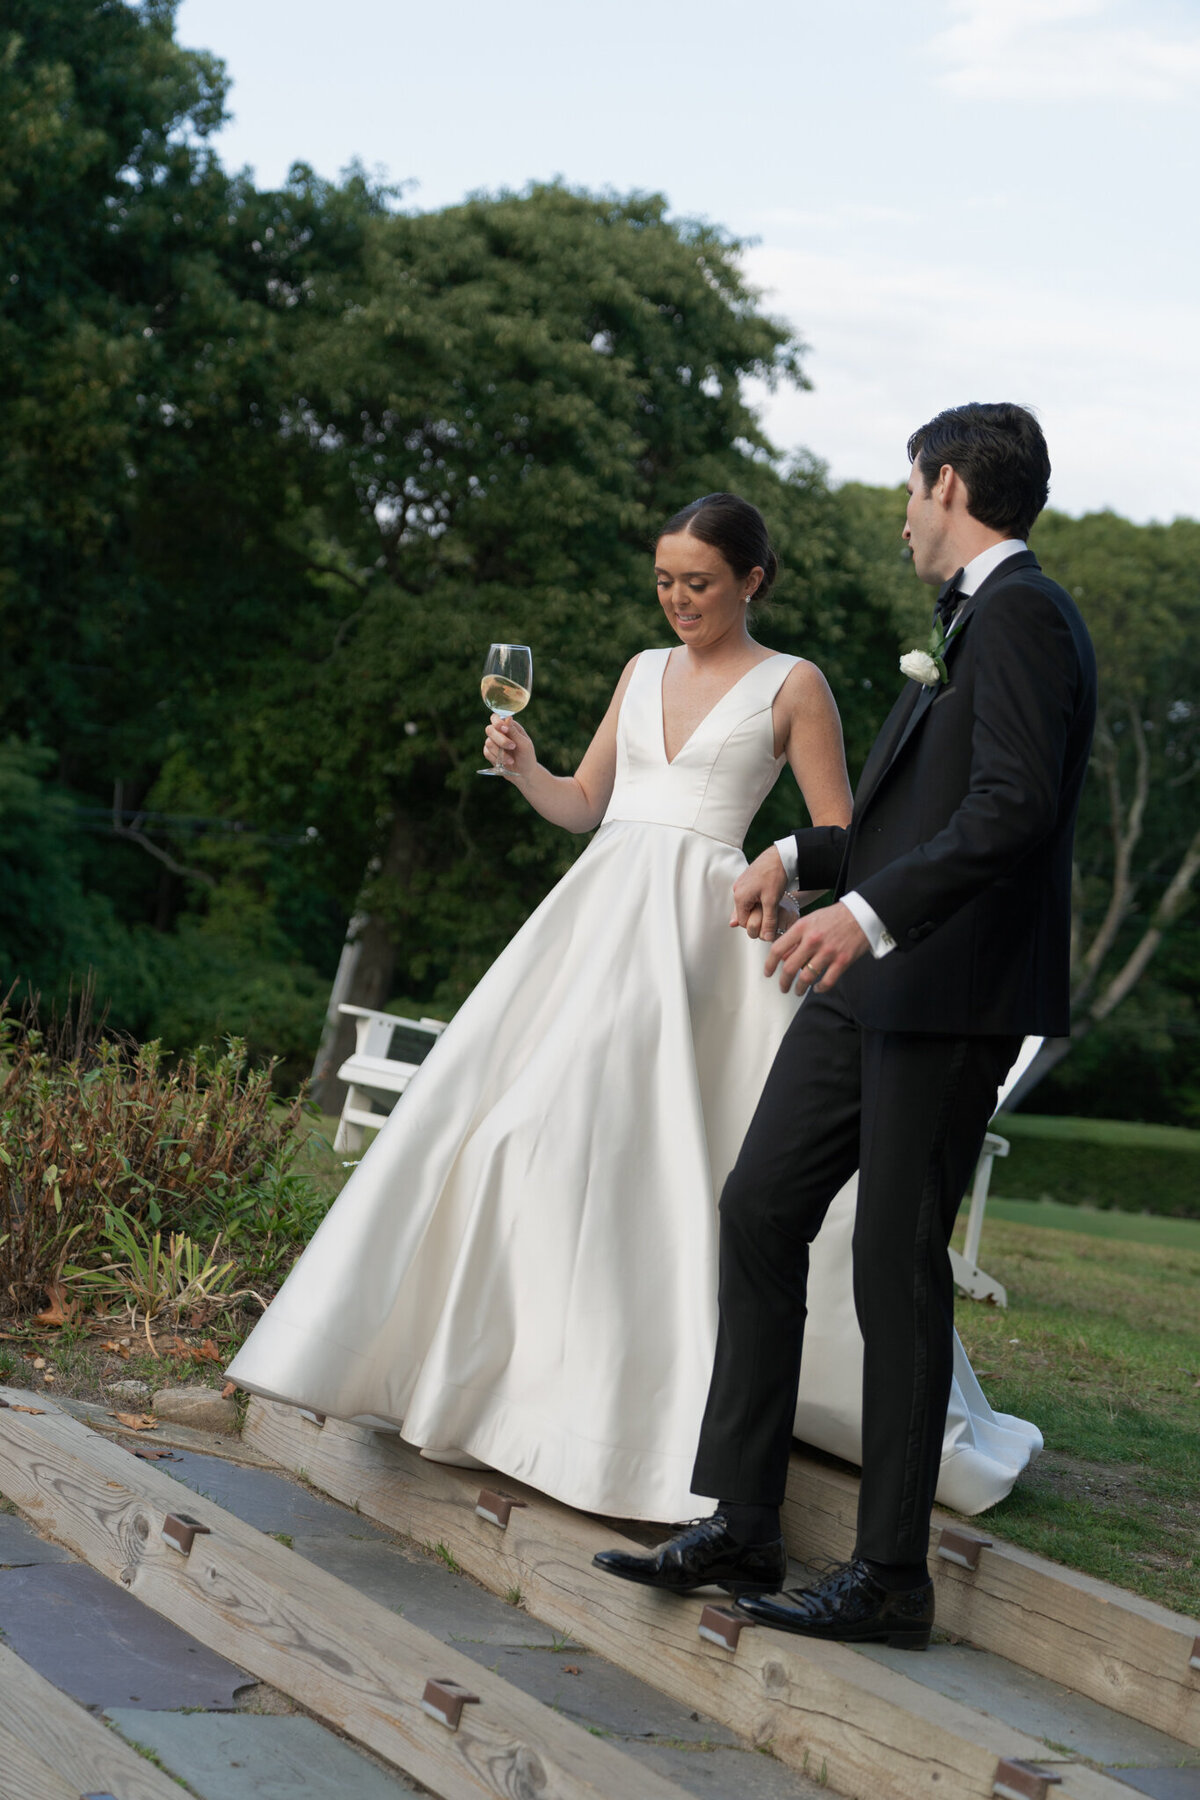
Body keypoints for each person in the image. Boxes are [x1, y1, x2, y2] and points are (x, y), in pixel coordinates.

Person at [227, 490, 1043, 1526]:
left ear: (751, 579)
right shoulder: (639, 672)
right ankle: (509, 1394)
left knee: (668, 1167)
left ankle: (657, 1414)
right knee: (518, 1137)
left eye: (697, 582)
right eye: (663, 581)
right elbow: (587, 803)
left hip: (704, 945)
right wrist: (527, 771)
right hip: (597, 924)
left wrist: (781, 872)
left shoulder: (796, 685)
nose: (676, 600)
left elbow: (844, 835)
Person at [594, 406, 1097, 1647]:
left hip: (948, 994)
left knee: (894, 1272)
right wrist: (795, 851)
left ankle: (889, 1577)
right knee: (761, 1205)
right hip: (872, 985)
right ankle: (745, 1518)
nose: (903, 516)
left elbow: (1013, 808)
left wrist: (864, 914)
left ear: (947, 482)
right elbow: (911, 816)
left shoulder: (1025, 613)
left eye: (910, 492)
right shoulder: (970, 621)